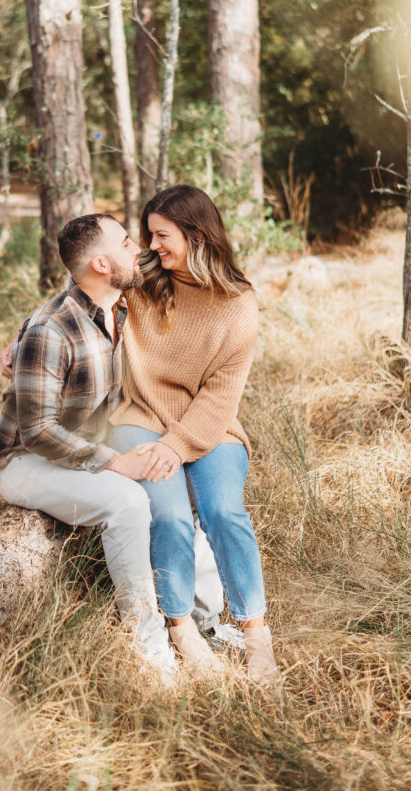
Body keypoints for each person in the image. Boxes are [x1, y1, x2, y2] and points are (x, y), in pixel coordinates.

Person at [0, 213, 177, 682]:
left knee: (174, 481)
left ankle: (202, 620)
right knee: (128, 501)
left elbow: (174, 263)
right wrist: (115, 463)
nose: (138, 248)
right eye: (126, 242)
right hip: (27, 461)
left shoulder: (121, 302)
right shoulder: (50, 330)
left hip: (85, 449)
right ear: (100, 263)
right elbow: (36, 431)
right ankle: (149, 647)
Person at [108, 185, 280, 685]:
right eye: (148, 235)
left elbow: (222, 394)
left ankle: (255, 634)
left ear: (196, 233)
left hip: (211, 425)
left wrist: (176, 446)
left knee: (224, 512)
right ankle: (181, 627)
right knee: (169, 515)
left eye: (162, 235)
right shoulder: (140, 278)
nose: (152, 244)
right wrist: (22, 341)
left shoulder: (237, 302)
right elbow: (79, 295)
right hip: (140, 414)